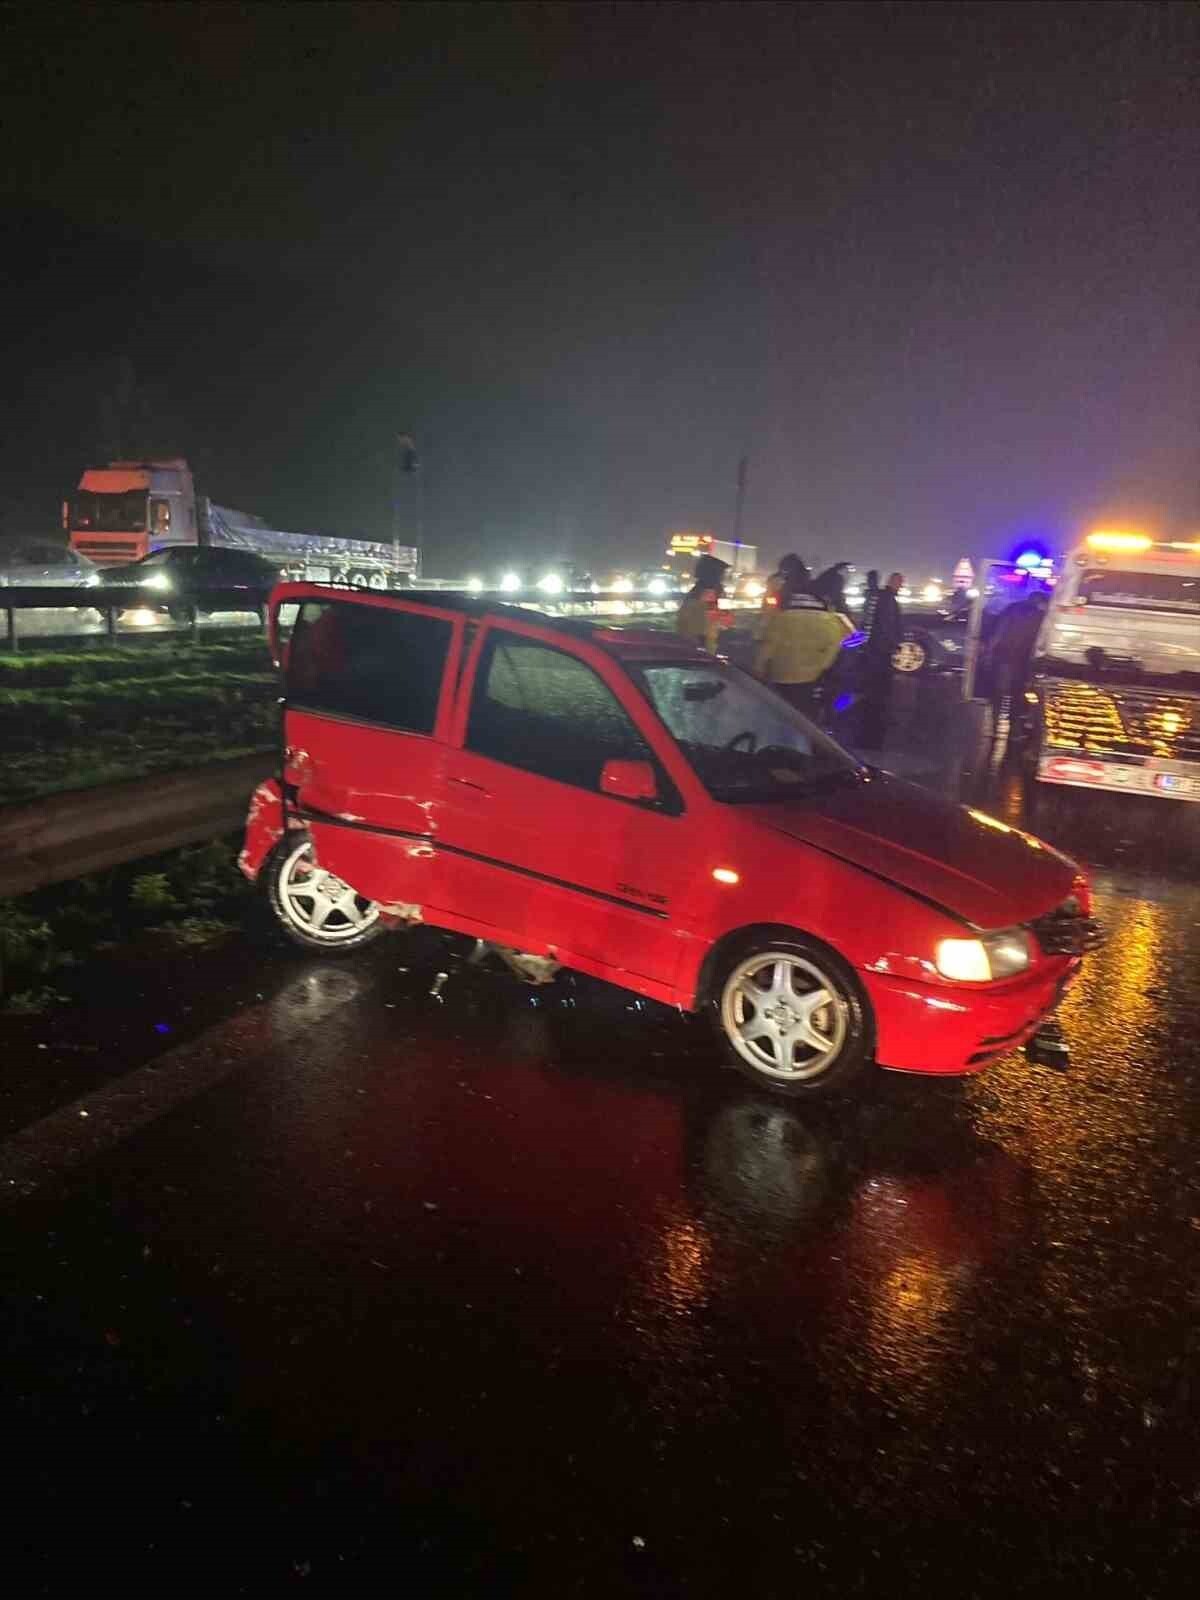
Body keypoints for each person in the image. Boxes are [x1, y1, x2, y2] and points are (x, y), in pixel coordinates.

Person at [754, 564, 854, 717]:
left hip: (781, 675)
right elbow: (839, 641)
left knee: (780, 715)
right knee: (804, 717)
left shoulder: (782, 615)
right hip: (810, 677)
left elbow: (768, 645)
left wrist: (759, 669)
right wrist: (823, 666)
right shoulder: (829, 617)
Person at [984, 590, 1049, 729]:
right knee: (1017, 689)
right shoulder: (1041, 615)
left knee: (1001, 689)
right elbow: (1041, 639)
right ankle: (1016, 720)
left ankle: (997, 718)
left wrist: (990, 651)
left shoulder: (1012, 608)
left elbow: (999, 631)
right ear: (1040, 602)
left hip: (1006, 655)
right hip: (1023, 658)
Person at [858, 571, 904, 750]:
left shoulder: (879, 598)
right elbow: (886, 626)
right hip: (881, 651)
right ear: (892, 582)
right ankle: (875, 724)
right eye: (899, 582)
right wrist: (894, 644)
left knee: (875, 687)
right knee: (880, 689)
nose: (901, 585)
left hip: (875, 649)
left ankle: (872, 717)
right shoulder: (888, 600)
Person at [676, 552, 730, 653]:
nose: (723, 577)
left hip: (696, 637)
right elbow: (710, 618)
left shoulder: (697, 591)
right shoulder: (709, 592)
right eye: (722, 574)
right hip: (701, 639)